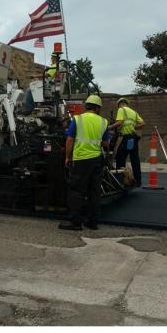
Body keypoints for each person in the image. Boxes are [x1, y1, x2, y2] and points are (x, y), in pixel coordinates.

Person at [59, 95, 110, 231]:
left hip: (81, 159)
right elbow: (105, 143)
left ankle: (75, 222)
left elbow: (70, 140)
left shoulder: (77, 119)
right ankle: (92, 222)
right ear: (98, 108)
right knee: (94, 191)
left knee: (76, 190)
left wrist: (67, 157)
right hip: (96, 160)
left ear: (86, 106)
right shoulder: (104, 122)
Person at [109, 97, 145, 187]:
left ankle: (120, 181)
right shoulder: (133, 112)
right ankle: (138, 181)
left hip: (128, 138)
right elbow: (143, 123)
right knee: (135, 160)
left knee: (120, 157)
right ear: (126, 103)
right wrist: (133, 127)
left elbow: (119, 123)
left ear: (119, 104)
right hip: (134, 138)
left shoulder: (121, 110)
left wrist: (109, 127)